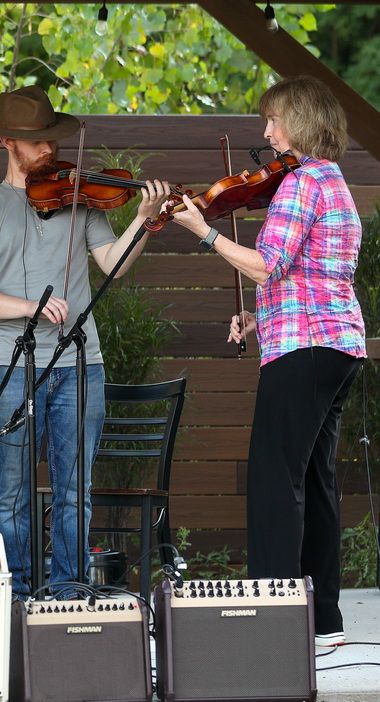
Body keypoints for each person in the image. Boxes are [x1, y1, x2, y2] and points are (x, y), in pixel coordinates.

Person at [167, 75, 365, 647]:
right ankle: (323, 623)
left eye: (274, 119)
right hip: (336, 345)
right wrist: (259, 318)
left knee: (274, 481)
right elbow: (317, 277)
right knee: (314, 480)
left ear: (299, 121)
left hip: (304, 349)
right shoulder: (333, 181)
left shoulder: (301, 182)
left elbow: (266, 264)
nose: (267, 131)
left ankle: (276, 625)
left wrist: (203, 231)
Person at [0, 85, 171, 600]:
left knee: (76, 493)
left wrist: (142, 219)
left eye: (52, 139)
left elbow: (112, 266)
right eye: (36, 141)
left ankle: (69, 596)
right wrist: (28, 307)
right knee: (11, 494)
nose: (49, 150)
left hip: (80, 363)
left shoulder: (79, 200)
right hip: (11, 364)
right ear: (7, 141)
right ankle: (15, 598)